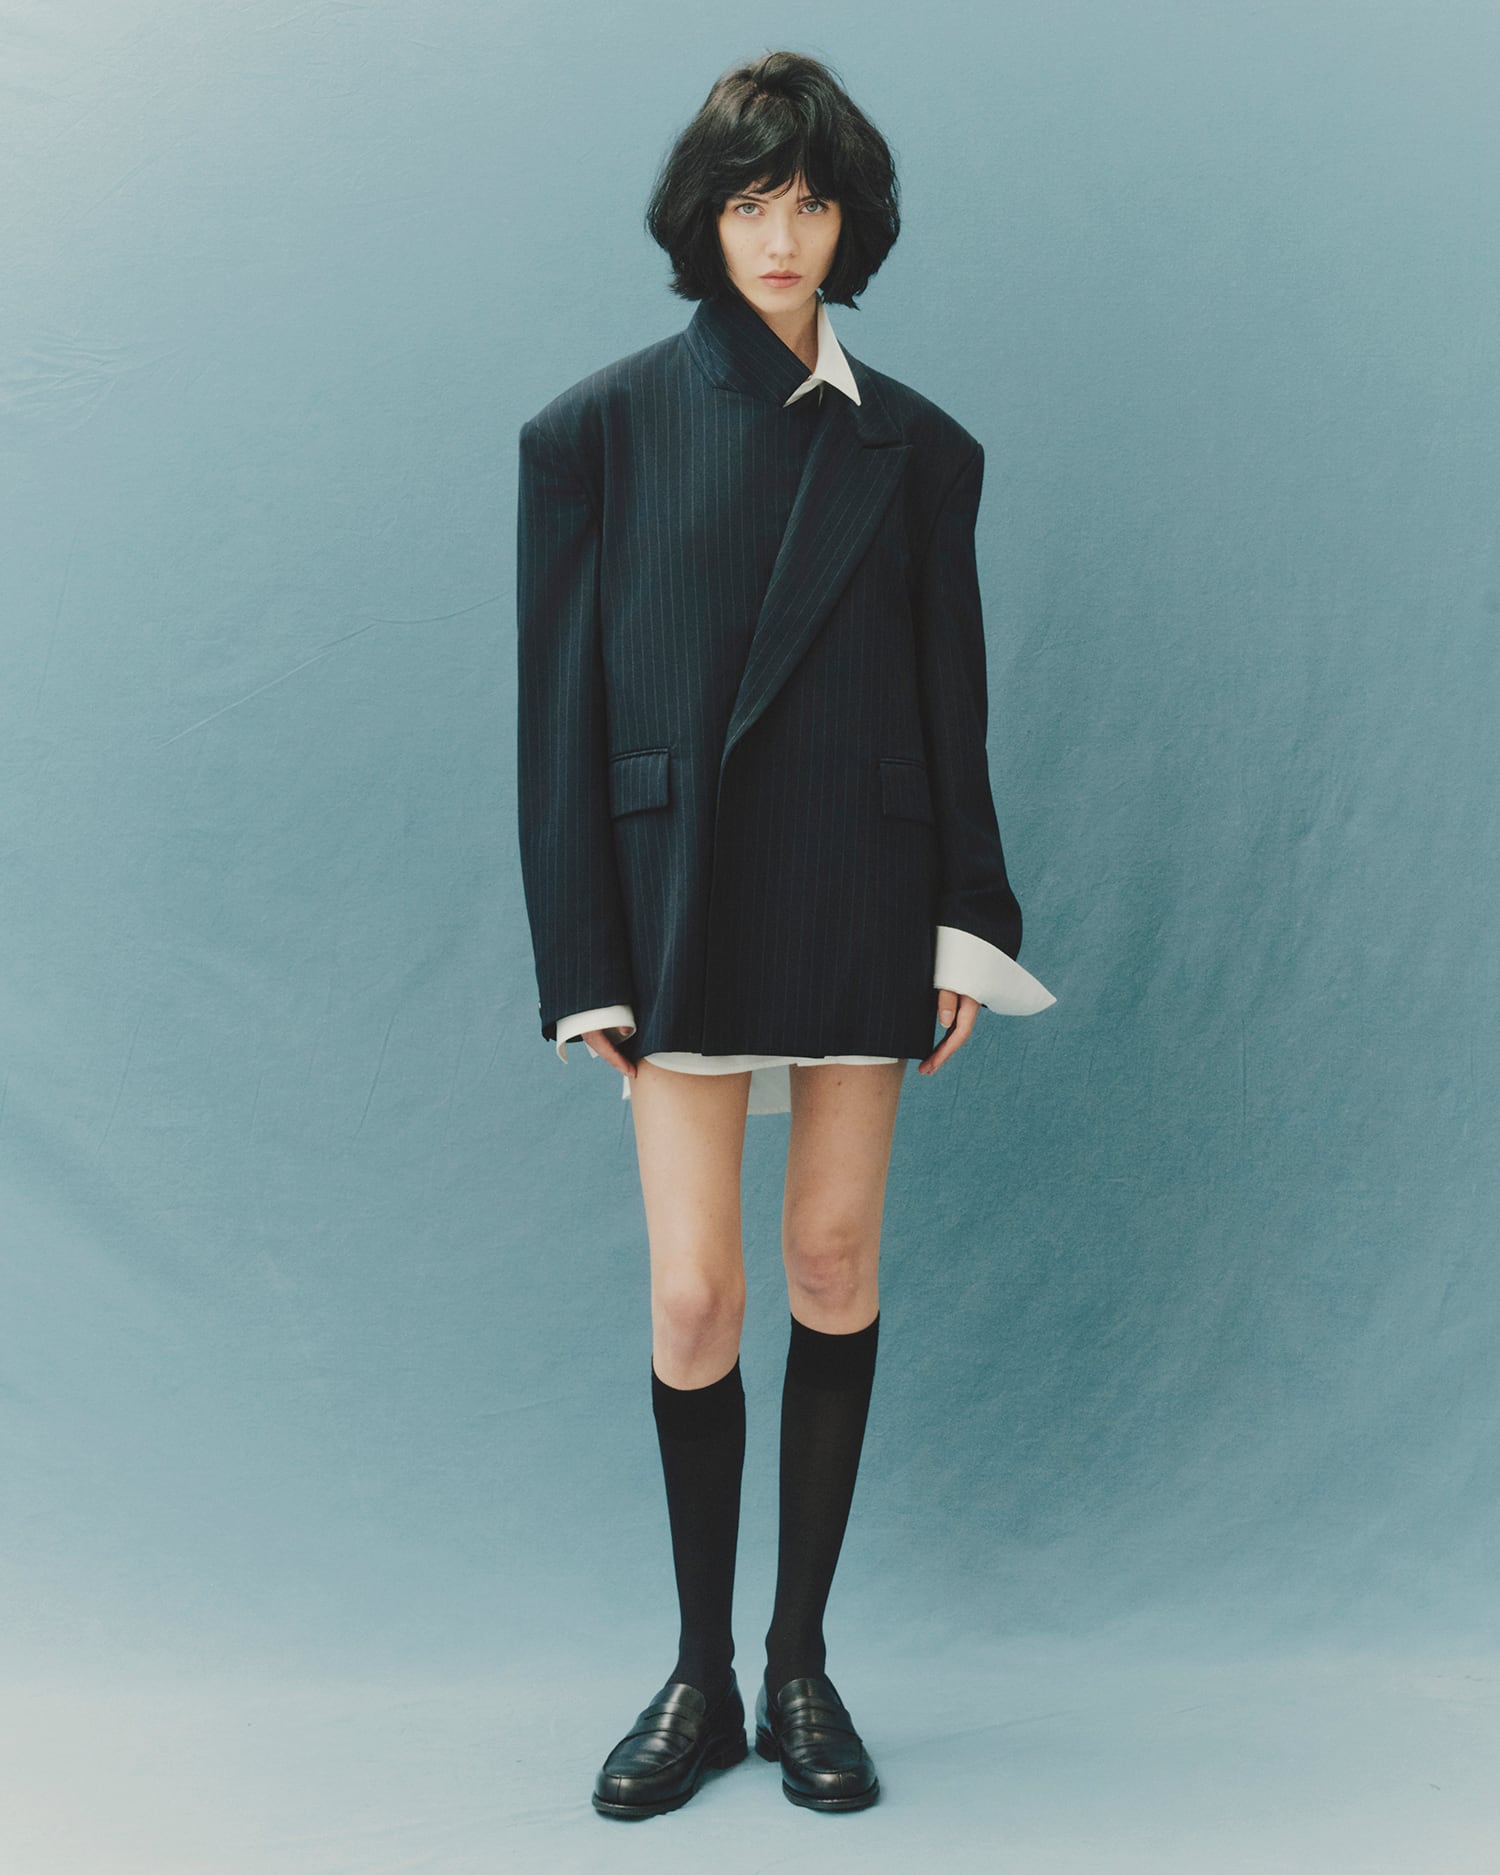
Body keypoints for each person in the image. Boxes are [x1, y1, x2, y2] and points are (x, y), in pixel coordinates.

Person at [515, 49, 1055, 1820]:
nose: (781, 235)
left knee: (829, 1263)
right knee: (694, 1293)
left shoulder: (922, 450)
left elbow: (953, 704)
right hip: (677, 897)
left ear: (850, 224)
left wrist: (966, 922)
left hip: (860, 886)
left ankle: (799, 1661)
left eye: (811, 202)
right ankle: (699, 1673)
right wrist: (580, 956)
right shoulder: (593, 432)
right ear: (706, 217)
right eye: (751, 201)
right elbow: (558, 718)